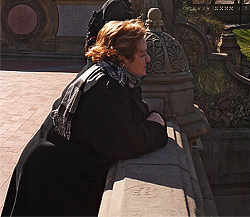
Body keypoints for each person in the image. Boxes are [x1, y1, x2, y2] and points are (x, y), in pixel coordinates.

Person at [5, 19, 168, 216]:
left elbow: (129, 116)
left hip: (55, 170)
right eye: (142, 54)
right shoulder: (105, 88)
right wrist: (157, 128)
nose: (148, 59)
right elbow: (125, 143)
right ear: (122, 58)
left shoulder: (110, 75)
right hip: (49, 180)